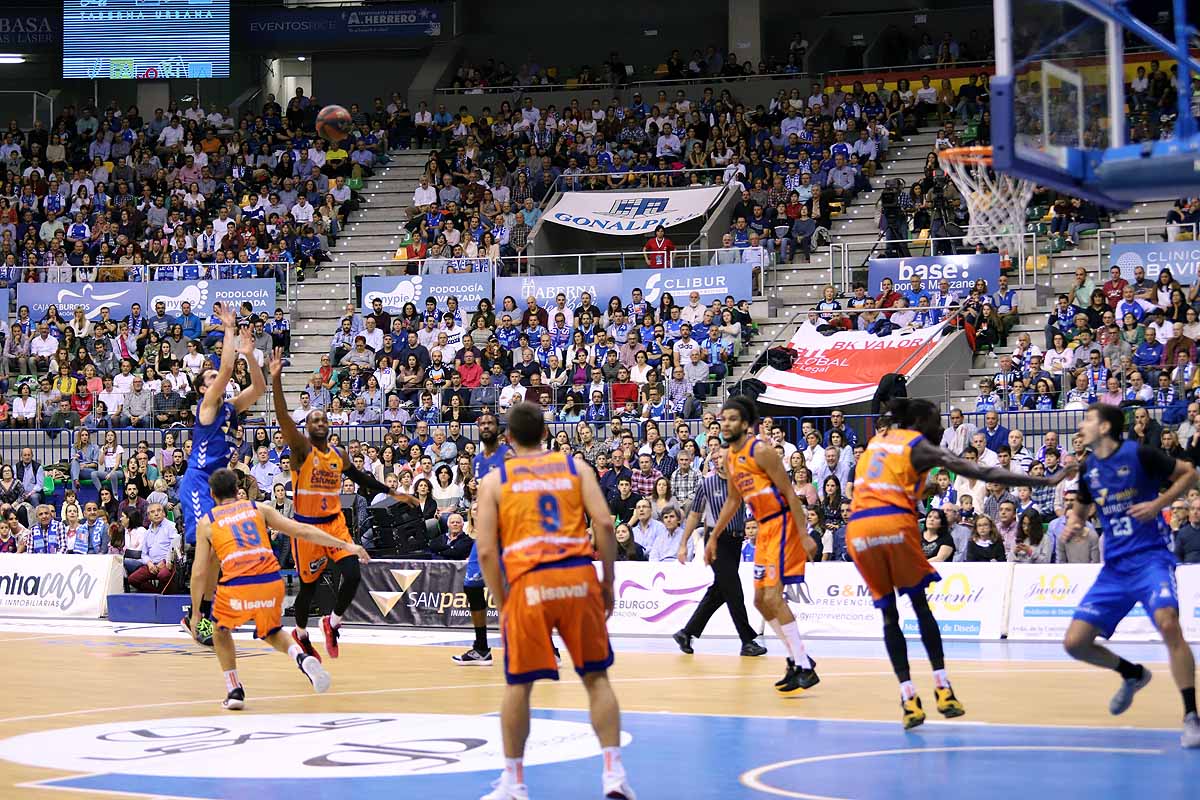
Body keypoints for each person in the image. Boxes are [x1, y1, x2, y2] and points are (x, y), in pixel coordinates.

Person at [848, 397, 1074, 729]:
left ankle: (909, 698)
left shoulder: (875, 444)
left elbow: (888, 483)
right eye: (936, 420)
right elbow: (980, 469)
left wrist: (918, 490)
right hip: (892, 524)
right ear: (921, 423)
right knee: (920, 607)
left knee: (888, 617)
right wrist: (1045, 482)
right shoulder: (920, 445)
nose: (941, 427)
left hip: (859, 531)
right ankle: (943, 689)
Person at [474, 402, 634, 800]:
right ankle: (613, 776)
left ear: (507, 439)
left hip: (529, 584)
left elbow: (488, 552)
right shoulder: (575, 468)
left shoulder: (495, 480)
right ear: (546, 432)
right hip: (577, 575)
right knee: (596, 678)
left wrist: (502, 596)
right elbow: (604, 524)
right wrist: (609, 582)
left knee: (518, 686)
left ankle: (514, 783)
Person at [1061, 403, 1200, 748]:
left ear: (1105, 427)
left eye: (1087, 420)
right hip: (1115, 568)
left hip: (1151, 558)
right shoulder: (1088, 468)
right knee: (1074, 643)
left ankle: (1190, 716)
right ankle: (1132, 674)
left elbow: (1189, 473)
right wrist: (1075, 521)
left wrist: (1158, 504)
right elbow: (1082, 502)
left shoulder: (1138, 454)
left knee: (1169, 623)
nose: (1082, 426)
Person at [270, 348, 417, 660]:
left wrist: (398, 494)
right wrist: (276, 380)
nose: (320, 422)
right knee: (307, 590)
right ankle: (301, 634)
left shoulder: (339, 456)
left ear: (329, 425)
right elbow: (283, 417)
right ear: (307, 428)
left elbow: (364, 480)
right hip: (306, 529)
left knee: (353, 574)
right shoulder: (301, 452)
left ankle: (332, 623)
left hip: (334, 524)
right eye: (314, 419)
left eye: (323, 418)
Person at [188, 468, 369, 709]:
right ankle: (302, 658)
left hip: (238, 581)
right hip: (271, 579)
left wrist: (196, 613)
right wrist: (346, 545)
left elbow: (199, 572)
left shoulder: (207, 522)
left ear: (212, 494)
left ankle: (234, 690)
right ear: (236, 490)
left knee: (220, 631)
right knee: (271, 631)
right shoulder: (258, 508)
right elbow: (302, 530)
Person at [706, 396, 819, 695]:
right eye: (723, 418)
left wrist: (804, 533)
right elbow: (733, 500)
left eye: (732, 418)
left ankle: (803, 663)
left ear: (744, 424)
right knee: (759, 601)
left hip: (783, 524)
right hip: (764, 530)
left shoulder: (761, 451)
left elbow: (790, 494)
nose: (726, 423)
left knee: (773, 596)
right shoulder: (729, 457)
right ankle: (798, 659)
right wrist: (715, 535)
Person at [181, 308, 266, 647]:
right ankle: (196, 616)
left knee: (217, 551)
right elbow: (228, 368)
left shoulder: (230, 406)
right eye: (210, 378)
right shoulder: (208, 406)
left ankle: (202, 610)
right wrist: (230, 331)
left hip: (219, 485)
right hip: (200, 480)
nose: (217, 379)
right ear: (204, 388)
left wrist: (251, 355)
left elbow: (258, 387)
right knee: (207, 549)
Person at [672, 444, 766, 656]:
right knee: (734, 590)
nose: (716, 459)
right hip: (716, 541)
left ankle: (687, 633)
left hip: (735, 541)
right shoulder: (707, 484)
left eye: (721, 455)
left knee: (720, 591)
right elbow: (694, 515)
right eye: (714, 456)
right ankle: (747, 640)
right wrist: (682, 544)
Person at [453, 411, 508, 666]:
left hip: (508, 530)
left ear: (498, 428)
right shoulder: (476, 460)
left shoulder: (508, 455)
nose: (486, 426)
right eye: (482, 423)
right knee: (472, 587)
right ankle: (481, 648)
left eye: (490, 423)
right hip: (485, 531)